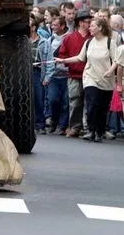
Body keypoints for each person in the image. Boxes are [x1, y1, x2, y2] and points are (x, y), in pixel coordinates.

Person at [56, 18, 116, 142]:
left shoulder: (110, 42)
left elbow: (117, 60)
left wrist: (110, 71)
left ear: (100, 28)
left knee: (102, 107)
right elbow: (80, 58)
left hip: (106, 79)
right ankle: (91, 130)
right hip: (90, 77)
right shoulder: (89, 42)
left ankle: (99, 131)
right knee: (92, 103)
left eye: (93, 26)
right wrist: (64, 60)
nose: (90, 28)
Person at [57, 10, 92, 138]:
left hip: (90, 75)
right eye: (88, 22)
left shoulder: (92, 38)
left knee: (90, 102)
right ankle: (75, 127)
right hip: (74, 75)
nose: (90, 24)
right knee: (75, 101)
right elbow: (62, 54)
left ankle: (90, 128)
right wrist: (72, 65)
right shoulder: (69, 38)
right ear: (81, 23)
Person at [44, 17, 70, 135]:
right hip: (54, 76)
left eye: (55, 25)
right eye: (52, 25)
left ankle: (62, 125)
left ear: (62, 26)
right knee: (53, 99)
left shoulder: (69, 38)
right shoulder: (50, 39)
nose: (52, 27)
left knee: (65, 102)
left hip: (66, 75)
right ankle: (54, 120)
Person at [31, 14, 51, 134]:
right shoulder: (22, 41)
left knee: (39, 99)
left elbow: (49, 60)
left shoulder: (44, 42)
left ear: (33, 27)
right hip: (25, 72)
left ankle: (40, 124)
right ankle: (30, 123)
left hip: (37, 72)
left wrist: (47, 76)